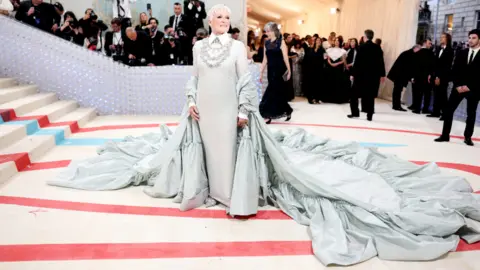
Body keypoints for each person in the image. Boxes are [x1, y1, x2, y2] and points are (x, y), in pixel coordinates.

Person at [48, 5, 480, 267]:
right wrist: (190, 100)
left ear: (229, 23)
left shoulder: (238, 48)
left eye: (223, 16)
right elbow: (194, 79)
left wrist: (242, 109)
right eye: (214, 15)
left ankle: (233, 193)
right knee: (210, 153)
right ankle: (209, 189)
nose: (219, 20)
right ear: (208, 21)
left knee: (234, 154)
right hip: (204, 112)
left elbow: (246, 83)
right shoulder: (199, 48)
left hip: (231, 114)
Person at [434, 29, 480, 146]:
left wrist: (469, 86)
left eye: (473, 38)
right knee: (448, 111)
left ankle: (468, 137)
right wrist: (459, 85)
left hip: (473, 90)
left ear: (479, 40)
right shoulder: (461, 53)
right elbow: (454, 71)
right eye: (469, 37)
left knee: (471, 113)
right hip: (458, 88)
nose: (470, 40)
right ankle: (445, 135)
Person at [258, 22, 293, 124]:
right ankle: (287, 110)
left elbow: (286, 58)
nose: (267, 33)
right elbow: (265, 59)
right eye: (266, 31)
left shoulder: (281, 42)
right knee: (277, 93)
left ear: (274, 31)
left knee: (271, 92)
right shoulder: (266, 43)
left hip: (279, 70)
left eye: (268, 31)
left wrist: (289, 71)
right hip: (270, 70)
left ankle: (267, 115)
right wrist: (261, 72)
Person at [348, 29, 385, 121]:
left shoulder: (361, 47)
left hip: (361, 76)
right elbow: (381, 62)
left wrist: (353, 74)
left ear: (365, 37)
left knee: (354, 95)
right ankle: (369, 115)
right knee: (370, 96)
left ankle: (355, 113)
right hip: (373, 77)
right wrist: (382, 74)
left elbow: (357, 63)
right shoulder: (377, 48)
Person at [427, 33, 454, 118]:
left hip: (443, 77)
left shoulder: (450, 50)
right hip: (435, 75)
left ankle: (445, 115)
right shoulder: (438, 49)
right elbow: (435, 63)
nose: (441, 38)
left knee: (443, 96)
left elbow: (446, 66)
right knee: (436, 94)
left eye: (443, 37)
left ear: (447, 39)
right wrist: (431, 74)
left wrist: (439, 77)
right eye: (441, 37)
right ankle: (436, 112)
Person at [387, 44, 421, 111]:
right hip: (399, 75)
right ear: (415, 48)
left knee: (397, 90)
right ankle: (397, 106)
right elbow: (408, 68)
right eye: (419, 50)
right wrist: (411, 78)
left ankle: (396, 105)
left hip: (399, 75)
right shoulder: (409, 54)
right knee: (398, 90)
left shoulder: (408, 53)